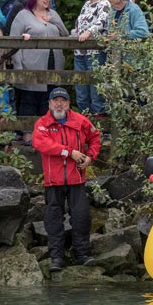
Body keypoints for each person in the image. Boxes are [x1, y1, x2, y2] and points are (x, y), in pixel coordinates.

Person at [32, 87, 102, 272]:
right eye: (55, 100)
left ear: (69, 104)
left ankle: (83, 254)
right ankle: (56, 257)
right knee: (53, 220)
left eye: (63, 100)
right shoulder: (42, 123)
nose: (59, 103)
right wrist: (69, 152)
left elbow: (95, 137)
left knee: (81, 218)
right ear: (49, 103)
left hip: (76, 179)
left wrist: (90, 157)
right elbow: (41, 144)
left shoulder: (80, 120)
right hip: (53, 181)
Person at [10, 0, 69, 143]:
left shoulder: (54, 14)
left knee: (48, 98)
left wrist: (53, 21)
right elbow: (13, 43)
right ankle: (28, 134)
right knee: (29, 99)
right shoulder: (23, 15)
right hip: (30, 64)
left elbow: (65, 35)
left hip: (53, 64)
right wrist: (19, 67)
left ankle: (47, 135)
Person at [73, 0, 110, 116]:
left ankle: (99, 126)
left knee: (96, 91)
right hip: (80, 52)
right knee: (81, 91)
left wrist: (88, 32)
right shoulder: (86, 5)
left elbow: (101, 22)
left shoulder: (104, 4)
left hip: (95, 53)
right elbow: (79, 25)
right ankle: (84, 123)